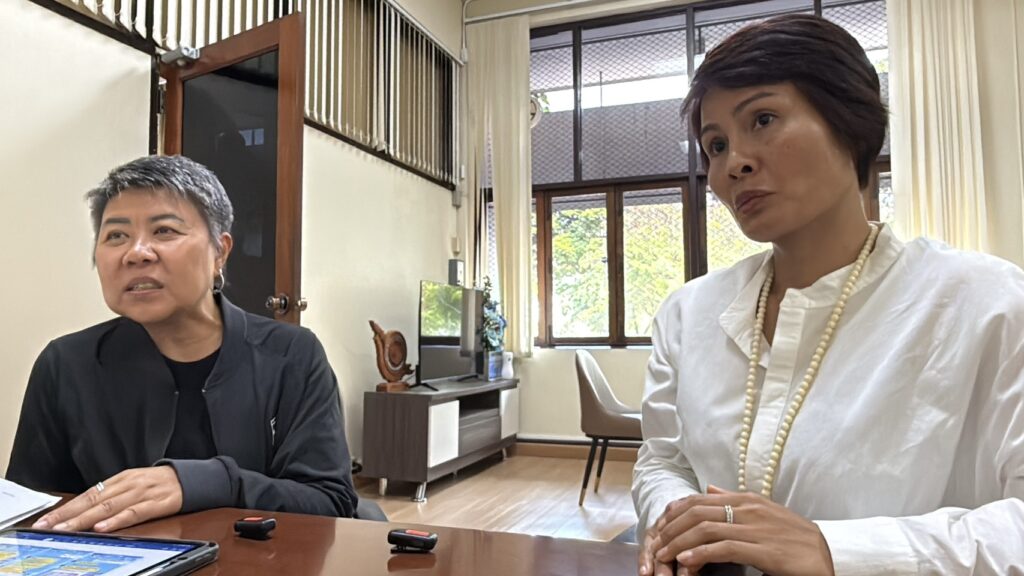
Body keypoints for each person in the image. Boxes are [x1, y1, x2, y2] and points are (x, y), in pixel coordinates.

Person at [632, 14, 1024, 576]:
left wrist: (834, 549)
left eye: (762, 119)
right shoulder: (687, 314)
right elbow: (662, 461)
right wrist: (678, 523)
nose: (734, 163)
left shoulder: (986, 304)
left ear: (850, 123)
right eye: (715, 145)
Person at [7, 155, 358, 533]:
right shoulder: (65, 364)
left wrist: (208, 482)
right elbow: (30, 511)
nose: (136, 252)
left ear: (219, 252)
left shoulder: (292, 355)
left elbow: (329, 502)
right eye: (116, 236)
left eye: (164, 231)